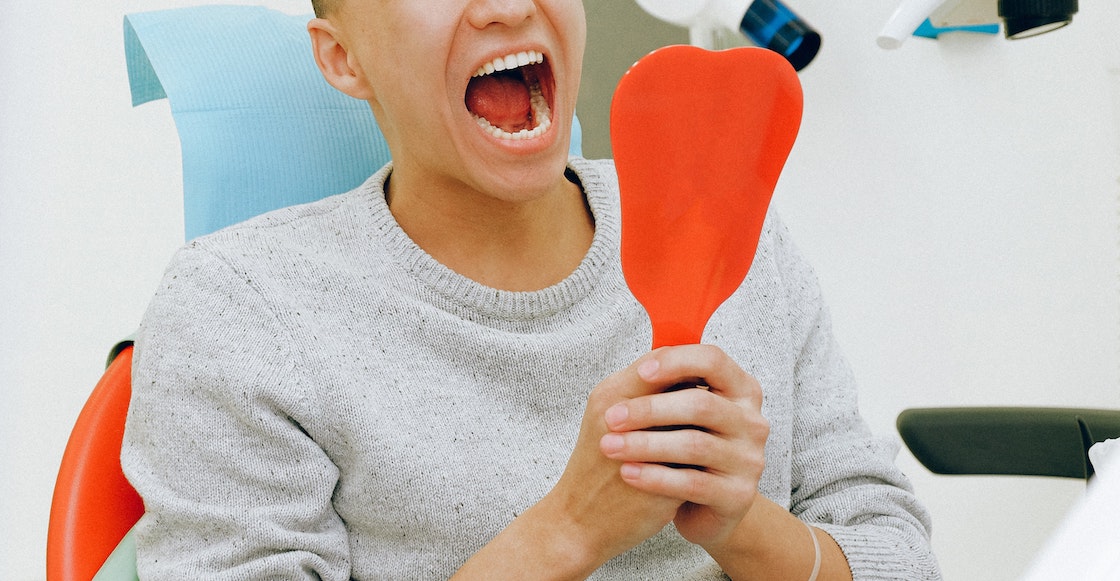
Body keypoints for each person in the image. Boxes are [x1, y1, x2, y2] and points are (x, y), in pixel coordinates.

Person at [121, 0, 941, 579]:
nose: (508, 5)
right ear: (343, 58)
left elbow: (900, 556)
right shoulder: (240, 309)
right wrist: (569, 530)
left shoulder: (730, 232)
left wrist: (744, 525)